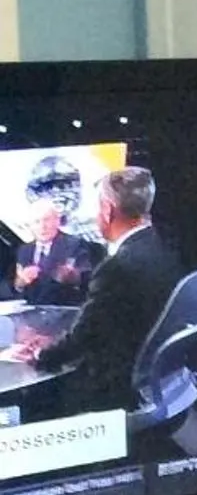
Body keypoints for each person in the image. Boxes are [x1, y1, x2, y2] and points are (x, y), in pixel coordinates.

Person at [13, 168, 179, 415]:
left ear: (108, 210)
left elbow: (83, 338)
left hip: (112, 387)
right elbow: (108, 321)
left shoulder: (116, 267)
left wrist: (40, 353)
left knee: (37, 400)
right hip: (157, 375)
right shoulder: (161, 247)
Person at [9, 156, 102, 309]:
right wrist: (20, 283)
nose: (42, 226)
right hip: (32, 320)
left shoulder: (76, 245)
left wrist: (73, 277)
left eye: (47, 220)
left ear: (57, 221)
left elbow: (88, 282)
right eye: (37, 222)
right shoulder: (25, 250)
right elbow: (18, 289)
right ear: (30, 225)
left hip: (64, 316)